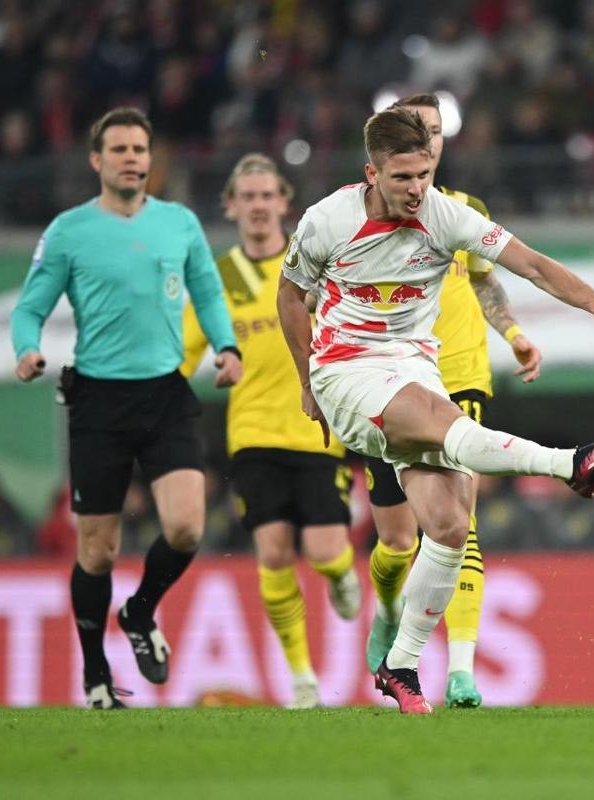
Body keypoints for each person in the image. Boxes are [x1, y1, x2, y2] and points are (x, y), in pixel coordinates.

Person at [278, 106, 594, 713]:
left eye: (423, 173)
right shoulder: (327, 220)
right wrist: (305, 380)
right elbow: (290, 295)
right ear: (370, 172)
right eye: (401, 177)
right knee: (448, 427)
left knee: (450, 525)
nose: (415, 188)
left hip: (413, 365)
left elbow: (529, 263)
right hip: (346, 369)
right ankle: (570, 464)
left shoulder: (447, 215)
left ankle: (400, 667)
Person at [10, 107, 242, 710]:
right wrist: (27, 349)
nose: (133, 158)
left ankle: (140, 611)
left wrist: (227, 346)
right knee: (99, 551)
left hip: (164, 392)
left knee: (188, 525)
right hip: (99, 400)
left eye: (140, 148)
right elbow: (29, 307)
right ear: (97, 161)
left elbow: (208, 291)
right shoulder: (68, 232)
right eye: (120, 150)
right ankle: (94, 676)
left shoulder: (179, 224)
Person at [361, 93, 544, 710]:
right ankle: (387, 609)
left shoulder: (465, 212)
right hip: (386, 384)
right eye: (420, 131)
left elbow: (489, 280)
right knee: (395, 541)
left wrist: (515, 335)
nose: (431, 141)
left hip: (458, 379)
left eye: (437, 132)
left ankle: (461, 669)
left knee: (459, 523)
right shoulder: (361, 215)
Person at [181, 153, 361, 709]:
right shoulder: (218, 279)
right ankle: (302, 678)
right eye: (247, 197)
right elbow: (179, 356)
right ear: (231, 206)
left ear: (285, 203)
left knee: (328, 551)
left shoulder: (310, 265)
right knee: (275, 552)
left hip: (317, 430)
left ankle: (339, 576)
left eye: (267, 196)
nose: (258, 207)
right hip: (253, 436)